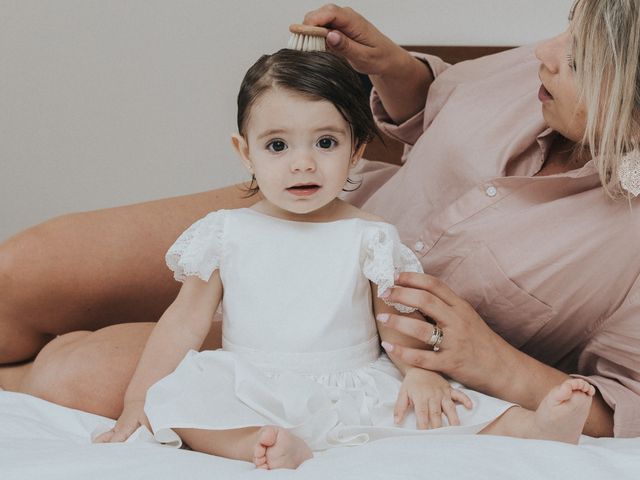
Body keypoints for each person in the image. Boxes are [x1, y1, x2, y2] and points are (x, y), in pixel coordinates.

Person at [0, 0, 638, 439]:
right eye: (566, 29)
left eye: (580, 60)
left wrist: (492, 363)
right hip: (302, 211)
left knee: (71, 374)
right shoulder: (542, 67)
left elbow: (628, 409)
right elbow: (434, 110)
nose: (544, 55)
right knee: (23, 270)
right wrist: (395, 69)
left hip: (333, 349)